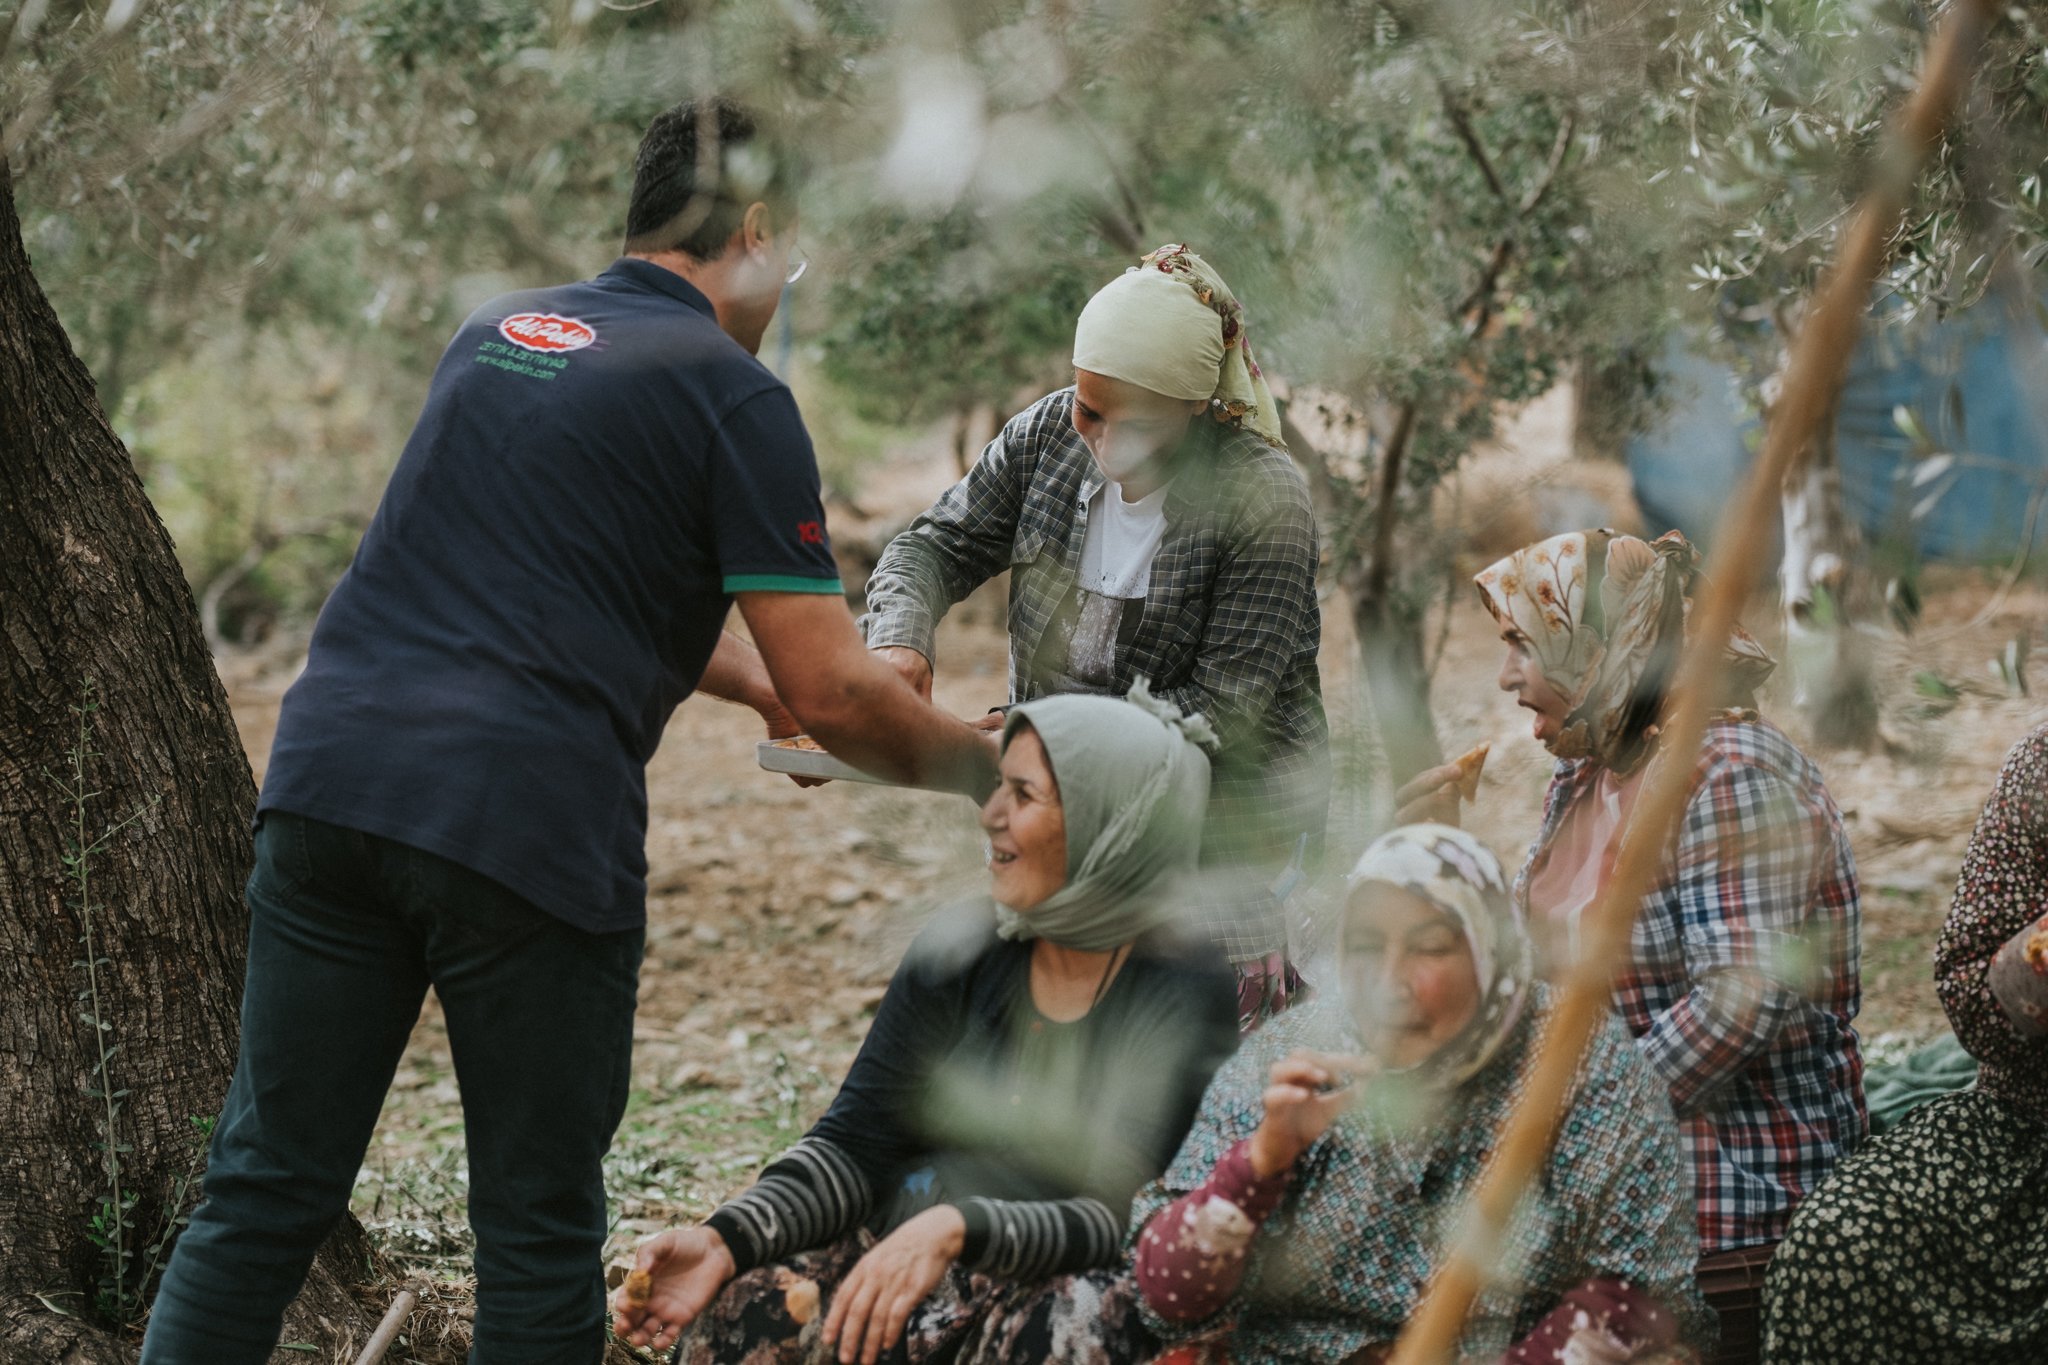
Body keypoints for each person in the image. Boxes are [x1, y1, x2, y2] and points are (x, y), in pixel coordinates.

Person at [142, 100, 996, 1365]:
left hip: (330, 789)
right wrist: (996, 768)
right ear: (756, 231)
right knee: (536, 1227)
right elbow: (835, 690)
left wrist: (748, 685)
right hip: (520, 822)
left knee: (264, 1190)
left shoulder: (498, 332)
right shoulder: (733, 394)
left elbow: (556, 579)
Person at [613, 689, 1240, 1365]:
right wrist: (725, 1238)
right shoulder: (966, 951)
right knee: (743, 1306)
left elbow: (1118, 1212)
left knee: (1082, 1331)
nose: (991, 814)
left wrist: (960, 1227)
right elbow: (855, 1146)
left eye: (1023, 795)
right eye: (996, 787)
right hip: (920, 1245)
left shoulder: (1182, 984)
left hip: (1051, 1274)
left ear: (1112, 822)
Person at [1401, 529, 1863, 1360]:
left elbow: (1738, 1003)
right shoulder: (1592, 770)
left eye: (1522, 643)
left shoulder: (1728, 771)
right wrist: (1440, 863)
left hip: (1721, 1189)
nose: (1505, 676)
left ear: (1598, 644)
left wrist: (1561, 1117)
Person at [860, 244, 1328, 1026]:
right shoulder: (1048, 437)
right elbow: (931, 547)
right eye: (1089, 409)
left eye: (1135, 422)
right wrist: (898, 642)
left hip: (1215, 849)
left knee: (1184, 1064)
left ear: (1196, 406)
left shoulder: (1262, 499)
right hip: (1057, 830)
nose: (1103, 440)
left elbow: (1218, 716)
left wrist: (1041, 744)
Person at [1126, 824, 1710, 1365]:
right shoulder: (1292, 1056)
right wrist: (1259, 1165)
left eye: (1429, 947)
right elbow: (1164, 1296)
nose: (1390, 982)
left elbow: (1638, 1292)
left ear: (1490, 950)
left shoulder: (1573, 1058)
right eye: (1365, 946)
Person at [1764, 724, 2048, 1363]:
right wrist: (2035, 963)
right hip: (2025, 1130)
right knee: (1837, 1243)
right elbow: (1967, 994)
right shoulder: (2042, 765)